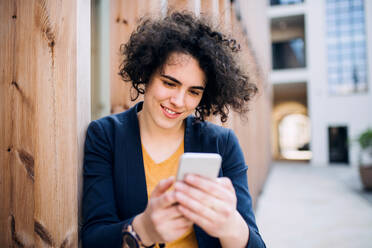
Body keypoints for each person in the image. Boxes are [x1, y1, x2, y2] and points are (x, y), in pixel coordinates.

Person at [82, 11, 266, 248]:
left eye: (193, 92)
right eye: (170, 83)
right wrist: (144, 229)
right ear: (146, 74)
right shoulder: (105, 135)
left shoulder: (222, 143)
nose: (179, 101)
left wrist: (229, 225)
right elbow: (93, 238)